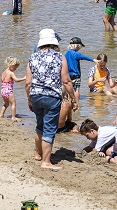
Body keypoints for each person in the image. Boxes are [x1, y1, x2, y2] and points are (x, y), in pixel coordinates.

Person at [25, 28, 78, 170]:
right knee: (49, 129)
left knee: (39, 125)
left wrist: (29, 99)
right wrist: (73, 99)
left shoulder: (33, 57)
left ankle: (38, 154)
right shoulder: (60, 57)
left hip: (36, 95)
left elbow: (28, 83)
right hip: (52, 96)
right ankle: (46, 162)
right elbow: (66, 80)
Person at [0, 57, 26, 121]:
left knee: (6, 104)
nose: (15, 69)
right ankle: (13, 117)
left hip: (3, 90)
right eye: (15, 67)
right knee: (13, 103)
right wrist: (24, 78)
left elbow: (2, 80)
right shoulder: (11, 73)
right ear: (11, 65)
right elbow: (16, 80)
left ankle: (1, 114)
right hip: (8, 91)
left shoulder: (4, 72)